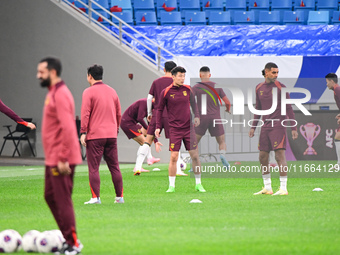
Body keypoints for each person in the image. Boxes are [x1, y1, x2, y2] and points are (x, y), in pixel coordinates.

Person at [37, 57, 83, 254]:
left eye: (41, 72)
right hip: (53, 157)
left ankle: (73, 244)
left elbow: (67, 127)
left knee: (62, 200)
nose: (38, 76)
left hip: (61, 158)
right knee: (50, 196)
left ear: (53, 72)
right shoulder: (53, 93)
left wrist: (63, 157)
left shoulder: (61, 94)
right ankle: (67, 238)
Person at [249, 62, 298, 196]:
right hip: (265, 126)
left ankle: (283, 188)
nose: (276, 75)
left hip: (278, 126)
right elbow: (258, 109)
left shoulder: (281, 88)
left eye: (277, 72)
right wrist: (253, 127)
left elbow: (289, 108)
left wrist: (293, 127)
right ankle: (267, 188)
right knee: (262, 156)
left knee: (279, 156)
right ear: (266, 72)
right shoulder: (258, 87)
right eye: (273, 72)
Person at [155, 66, 206, 193]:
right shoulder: (166, 92)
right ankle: (171, 186)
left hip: (189, 128)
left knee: (195, 156)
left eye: (184, 76)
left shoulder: (188, 90)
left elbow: (194, 105)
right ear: (173, 77)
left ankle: (198, 184)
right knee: (174, 157)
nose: (182, 78)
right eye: (180, 76)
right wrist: (157, 127)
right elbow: (159, 110)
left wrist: (197, 117)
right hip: (174, 129)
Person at [80, 64, 123, 204]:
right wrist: (115, 129)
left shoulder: (88, 92)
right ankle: (119, 197)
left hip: (95, 136)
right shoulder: (112, 91)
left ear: (90, 76)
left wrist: (83, 132)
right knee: (114, 167)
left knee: (93, 168)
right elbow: (118, 113)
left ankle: (95, 198)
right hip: (111, 135)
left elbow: (85, 113)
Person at [192, 66, 231, 168]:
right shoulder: (217, 86)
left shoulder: (196, 87)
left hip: (201, 118)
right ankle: (222, 155)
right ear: (209, 75)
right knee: (221, 141)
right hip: (215, 117)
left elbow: (189, 100)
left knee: (194, 142)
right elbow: (227, 102)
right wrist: (228, 109)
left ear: (200, 75)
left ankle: (195, 165)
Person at [120, 98, 162, 174]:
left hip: (133, 123)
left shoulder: (152, 108)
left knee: (147, 138)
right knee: (144, 142)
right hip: (127, 123)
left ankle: (144, 162)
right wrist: (148, 128)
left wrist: (156, 141)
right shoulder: (144, 103)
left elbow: (150, 126)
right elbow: (140, 118)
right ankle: (148, 159)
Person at [325, 73, 340, 169]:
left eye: (327, 82)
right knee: (338, 137)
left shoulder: (338, 89)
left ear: (331, 81)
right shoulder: (336, 90)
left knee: (338, 137)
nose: (326, 84)